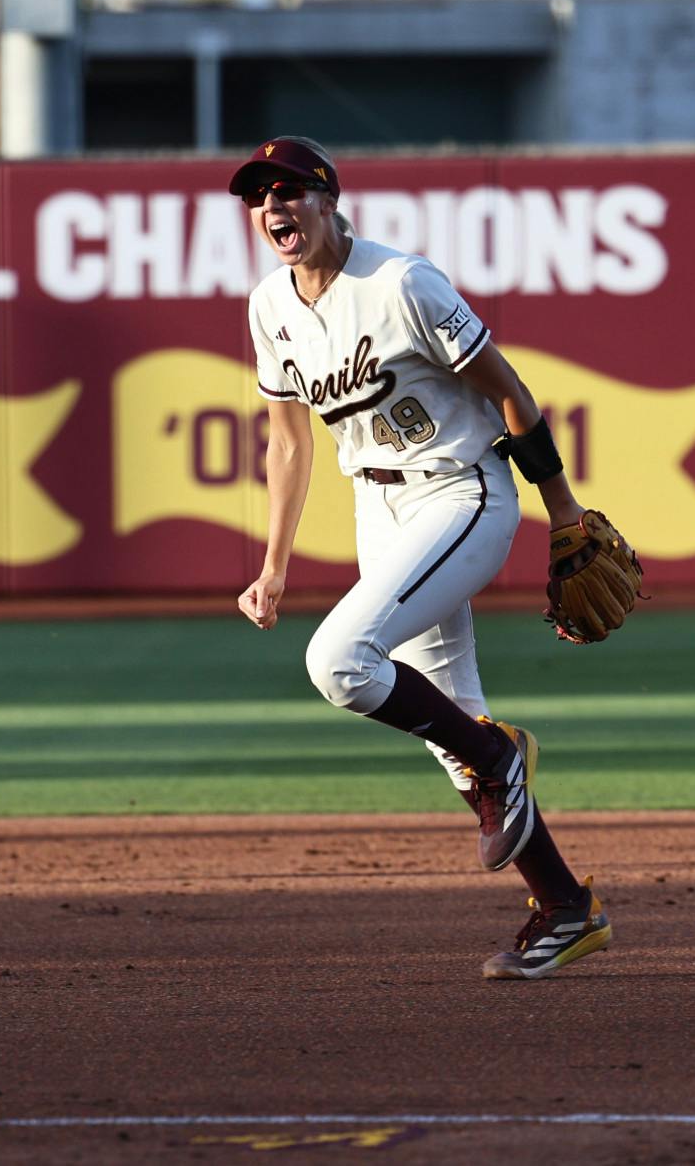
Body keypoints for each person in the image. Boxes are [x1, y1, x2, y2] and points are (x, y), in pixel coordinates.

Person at [230, 138, 611, 980]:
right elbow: (288, 443)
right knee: (452, 730)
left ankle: (501, 753)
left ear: (328, 200)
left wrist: (563, 512)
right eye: (258, 197)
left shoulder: (402, 283)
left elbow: (508, 390)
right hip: (379, 505)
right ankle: (566, 906)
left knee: (338, 661)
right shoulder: (269, 306)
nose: (273, 208)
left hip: (461, 490)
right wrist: (275, 563)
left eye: (289, 191)